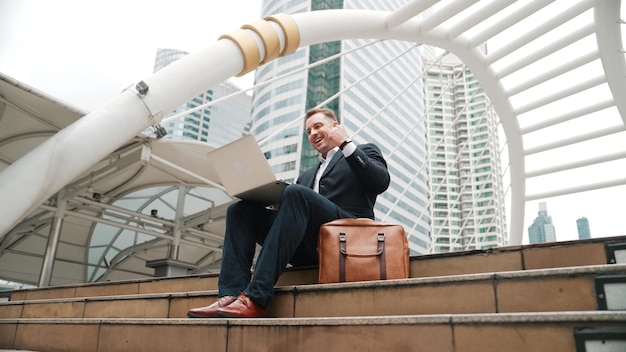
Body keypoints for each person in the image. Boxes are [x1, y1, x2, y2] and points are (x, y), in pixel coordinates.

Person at [187, 107, 390, 318]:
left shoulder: (363, 150)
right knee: (240, 210)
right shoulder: (307, 175)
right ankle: (229, 296)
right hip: (308, 248)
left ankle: (255, 298)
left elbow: (380, 182)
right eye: (309, 130)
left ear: (335, 127)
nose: (313, 133)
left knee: (294, 193)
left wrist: (346, 144)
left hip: (346, 242)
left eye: (318, 126)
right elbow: (300, 208)